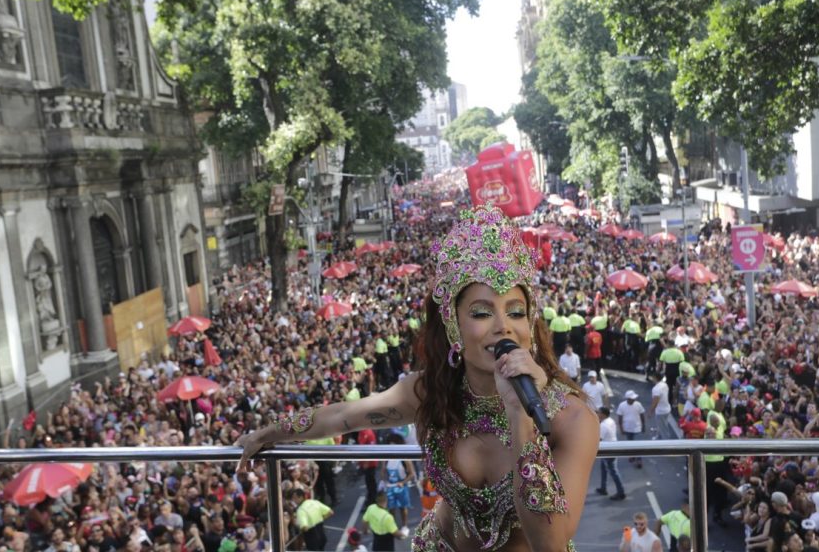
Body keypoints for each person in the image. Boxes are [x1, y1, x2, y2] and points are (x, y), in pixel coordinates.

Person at [238, 204, 599, 552]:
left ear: (530, 325)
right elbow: (342, 416)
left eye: (516, 312)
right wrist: (268, 433)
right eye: (481, 312)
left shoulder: (570, 417)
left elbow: (550, 544)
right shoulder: (433, 393)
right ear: (454, 326)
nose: (503, 327)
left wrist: (521, 415)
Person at [596, 407, 626, 501]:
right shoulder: (610, 420)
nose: (597, 413)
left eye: (599, 412)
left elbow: (598, 439)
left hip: (608, 450)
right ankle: (603, 488)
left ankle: (621, 492)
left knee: (613, 471)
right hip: (611, 447)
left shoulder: (603, 425)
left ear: (603, 414)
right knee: (604, 468)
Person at [617, 390, 646, 468]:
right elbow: (620, 418)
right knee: (630, 444)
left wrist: (643, 426)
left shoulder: (638, 404)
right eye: (632, 398)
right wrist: (621, 428)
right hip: (627, 428)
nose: (634, 399)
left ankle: (639, 460)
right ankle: (632, 455)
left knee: (638, 445)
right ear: (628, 399)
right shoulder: (622, 405)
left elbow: (642, 415)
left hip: (637, 428)